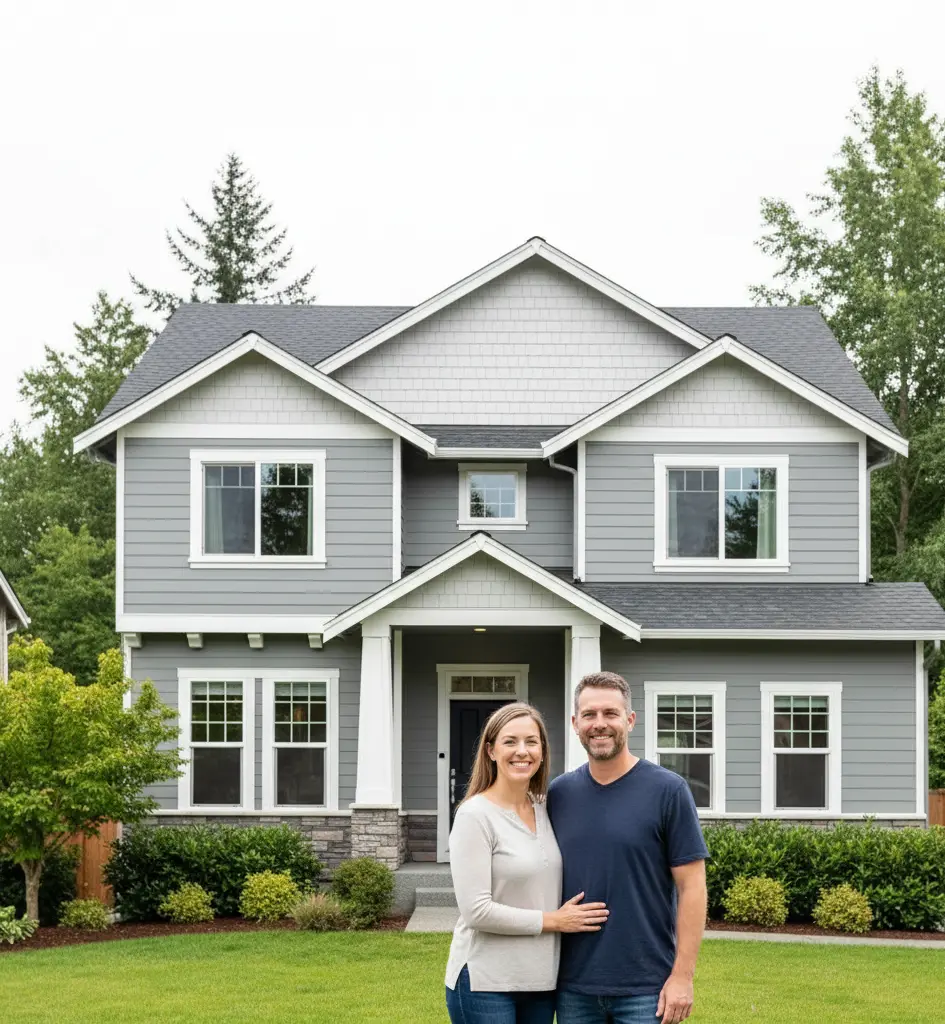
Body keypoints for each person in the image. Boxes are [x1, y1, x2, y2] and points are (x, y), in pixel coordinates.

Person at [548, 672, 708, 1024]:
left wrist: (682, 976)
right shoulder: (558, 794)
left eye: (610, 713)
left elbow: (692, 887)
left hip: (646, 988)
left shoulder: (669, 790)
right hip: (573, 987)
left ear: (630, 720)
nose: (599, 724)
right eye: (589, 715)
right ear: (575, 723)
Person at [445, 701, 610, 1024]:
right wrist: (555, 921)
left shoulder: (544, 808)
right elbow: (476, 911)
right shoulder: (475, 816)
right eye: (510, 742)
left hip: (541, 981)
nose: (522, 751)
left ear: (543, 751)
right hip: (484, 981)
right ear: (491, 751)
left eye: (531, 742)